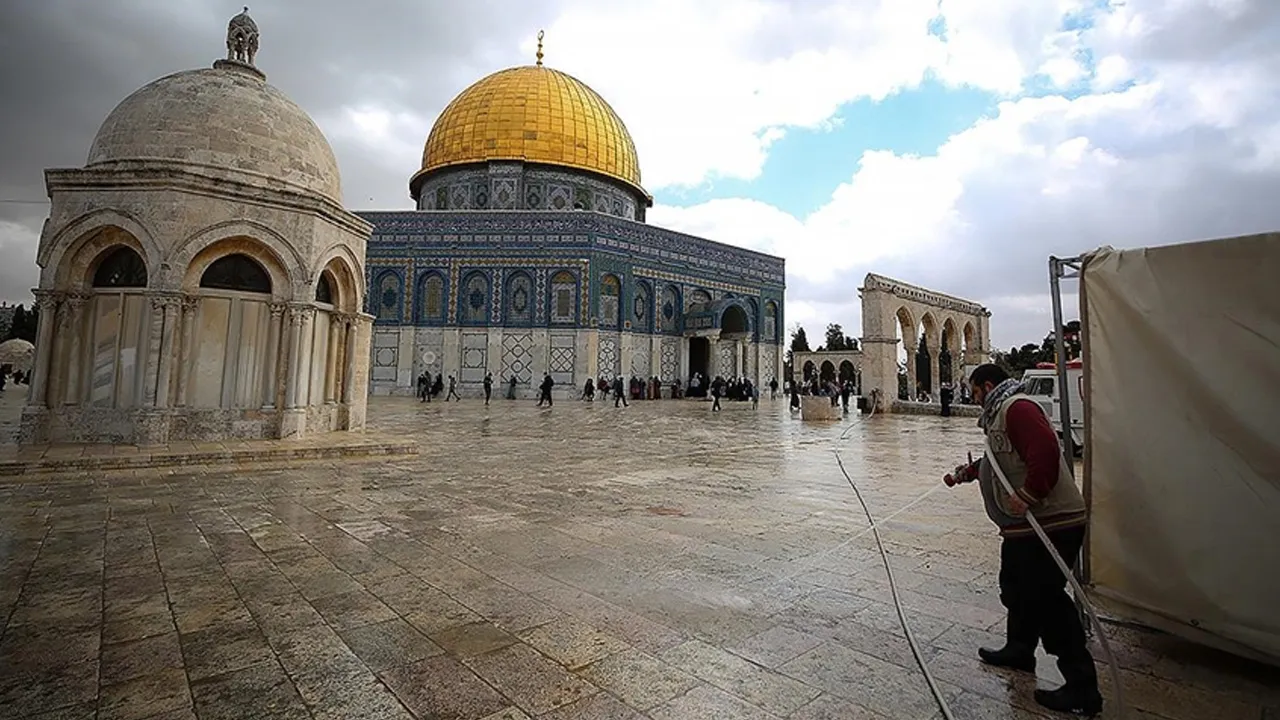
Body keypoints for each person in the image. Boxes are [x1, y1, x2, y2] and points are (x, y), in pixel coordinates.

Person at [944, 363, 1102, 716]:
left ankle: (1082, 687)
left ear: (987, 386)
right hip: (1023, 528)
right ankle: (1019, 649)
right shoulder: (1001, 413)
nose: (974, 399)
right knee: (1014, 587)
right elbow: (999, 460)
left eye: (974, 391)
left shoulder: (1018, 408)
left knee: (1046, 600)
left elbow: (1045, 450)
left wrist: (1030, 493)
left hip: (1049, 523)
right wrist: (967, 474)